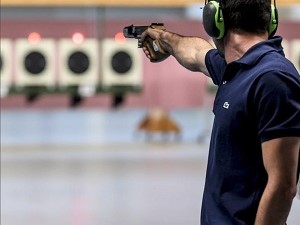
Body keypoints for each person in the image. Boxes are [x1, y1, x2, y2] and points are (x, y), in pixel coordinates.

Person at [140, 0, 300, 224]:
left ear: (214, 19)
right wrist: (165, 39)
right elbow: (197, 53)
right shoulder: (235, 69)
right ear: (271, 18)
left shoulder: (272, 79)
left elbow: (283, 186)